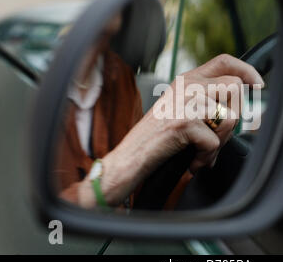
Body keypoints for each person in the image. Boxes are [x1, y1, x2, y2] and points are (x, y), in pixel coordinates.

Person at [55, 14, 264, 210]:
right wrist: (113, 176)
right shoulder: (49, 85)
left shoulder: (120, 79)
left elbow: (142, 199)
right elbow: (51, 224)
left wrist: (197, 148)